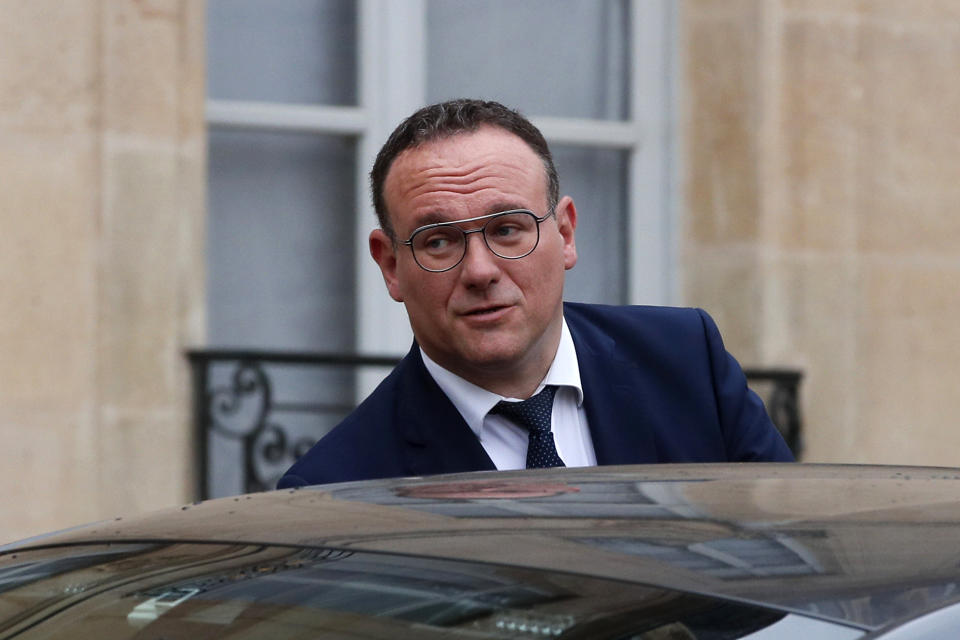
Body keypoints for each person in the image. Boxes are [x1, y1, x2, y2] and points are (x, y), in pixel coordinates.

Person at [278, 99, 793, 488]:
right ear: (391, 266)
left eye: (506, 230)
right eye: (438, 241)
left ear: (565, 234)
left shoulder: (686, 360)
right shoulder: (335, 489)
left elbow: (792, 560)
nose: (480, 271)